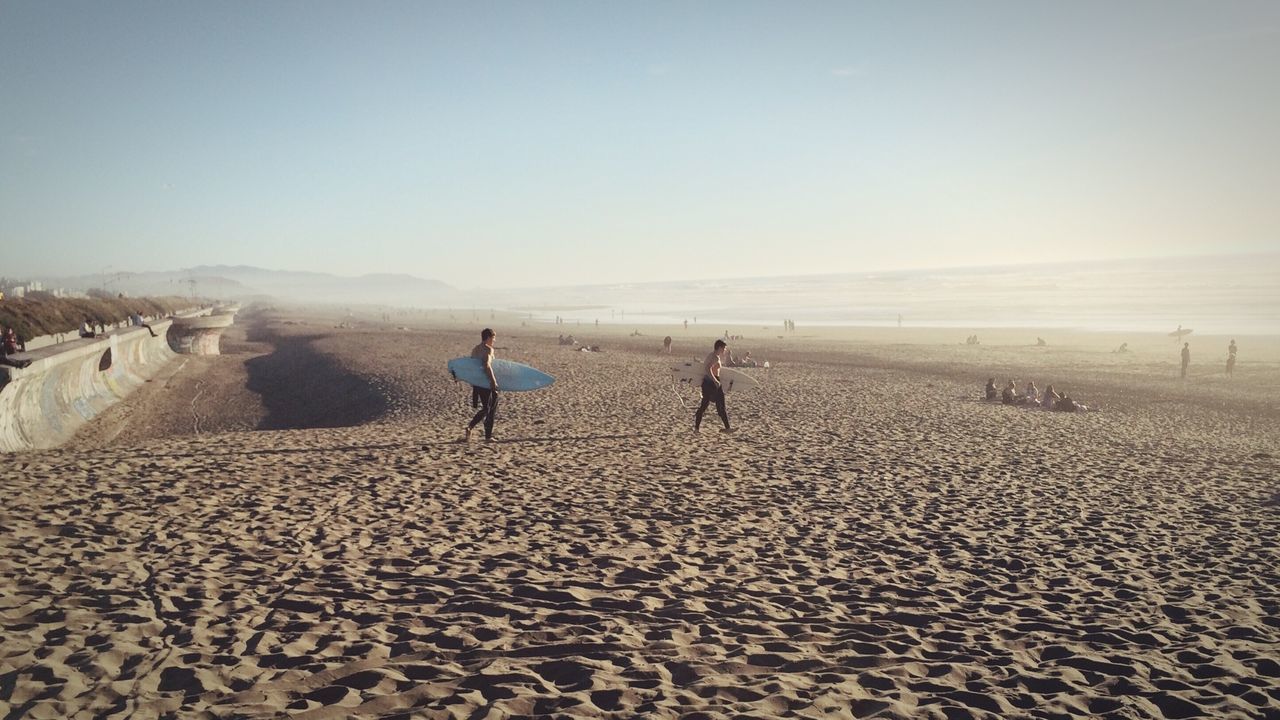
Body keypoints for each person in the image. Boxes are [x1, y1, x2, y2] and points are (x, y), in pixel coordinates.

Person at [464, 328, 499, 442]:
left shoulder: (475, 349)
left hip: (477, 383)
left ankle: (470, 427)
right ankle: (487, 436)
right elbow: (487, 365)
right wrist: (493, 381)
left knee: (486, 408)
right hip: (486, 383)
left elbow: (472, 366)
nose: (494, 340)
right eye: (493, 338)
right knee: (490, 409)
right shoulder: (488, 349)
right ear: (488, 338)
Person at [694, 340, 733, 433]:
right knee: (721, 405)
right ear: (719, 347)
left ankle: (696, 429)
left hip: (707, 383)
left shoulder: (711, 355)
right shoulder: (715, 357)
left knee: (704, 405)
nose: (724, 350)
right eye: (724, 348)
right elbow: (708, 368)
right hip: (713, 382)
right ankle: (727, 428)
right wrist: (715, 380)